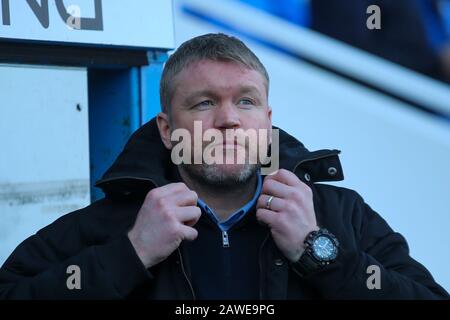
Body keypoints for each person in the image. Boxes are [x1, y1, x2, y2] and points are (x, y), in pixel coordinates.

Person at [0, 33, 448, 299]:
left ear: (267, 121)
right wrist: (131, 253)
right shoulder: (116, 221)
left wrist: (319, 252)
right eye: (204, 103)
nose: (228, 119)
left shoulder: (337, 212)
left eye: (246, 102)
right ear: (166, 129)